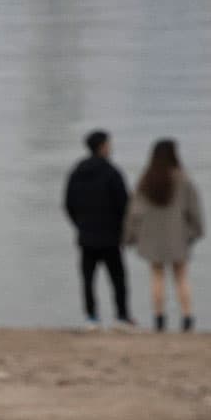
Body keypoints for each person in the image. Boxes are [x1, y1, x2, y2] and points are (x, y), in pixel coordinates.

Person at [125, 139, 205, 333]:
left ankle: (159, 319)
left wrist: (130, 235)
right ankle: (187, 318)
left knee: (157, 277)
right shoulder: (184, 180)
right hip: (177, 236)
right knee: (181, 277)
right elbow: (194, 211)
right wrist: (195, 232)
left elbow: (135, 212)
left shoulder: (146, 179)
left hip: (151, 237)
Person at [64, 130, 134, 330]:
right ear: (102, 146)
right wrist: (123, 229)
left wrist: (79, 224)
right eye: (108, 144)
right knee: (118, 277)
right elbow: (124, 204)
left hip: (86, 235)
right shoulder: (112, 172)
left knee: (88, 278)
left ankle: (91, 317)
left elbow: (68, 203)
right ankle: (121, 316)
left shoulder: (77, 171)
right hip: (110, 235)